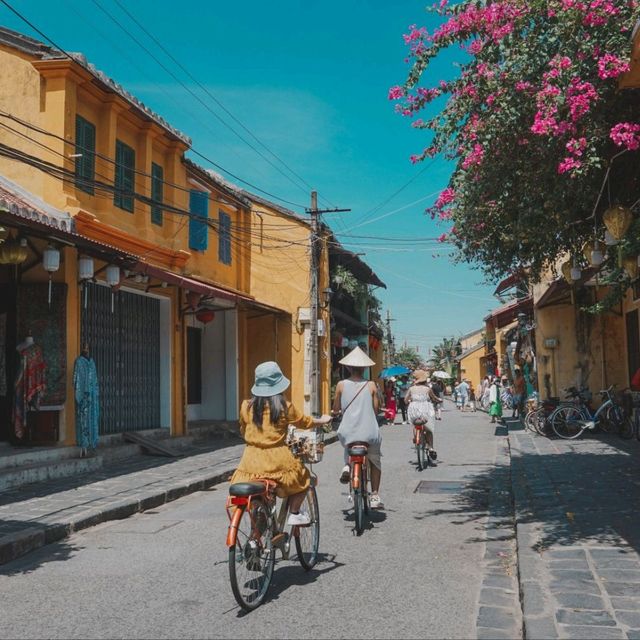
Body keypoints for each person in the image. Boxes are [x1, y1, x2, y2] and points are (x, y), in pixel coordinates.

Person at [230, 361, 331, 526]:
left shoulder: (245, 407)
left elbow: (243, 429)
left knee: (257, 499)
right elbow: (304, 422)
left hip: (250, 463)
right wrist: (322, 420)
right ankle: (295, 513)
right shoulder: (285, 407)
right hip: (278, 462)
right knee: (305, 479)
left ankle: (256, 538)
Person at [332, 346, 384, 509]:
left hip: (348, 432)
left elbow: (335, 409)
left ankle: (347, 466)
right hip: (369, 433)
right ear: (364, 368)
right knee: (375, 461)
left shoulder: (341, 385)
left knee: (348, 446)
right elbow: (376, 410)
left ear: (348, 367)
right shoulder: (371, 386)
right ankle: (375, 494)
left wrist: (336, 412)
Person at [405, 369, 442, 460]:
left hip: (413, 409)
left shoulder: (411, 389)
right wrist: (439, 400)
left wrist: (409, 401)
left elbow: (405, 399)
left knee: (415, 424)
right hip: (426, 410)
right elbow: (434, 398)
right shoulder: (427, 389)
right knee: (429, 429)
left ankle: (415, 437)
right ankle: (431, 447)